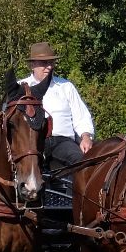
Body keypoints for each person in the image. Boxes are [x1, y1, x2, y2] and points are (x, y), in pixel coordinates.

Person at [20, 41, 93, 176]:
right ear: (32, 65)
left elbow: (81, 116)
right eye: (43, 63)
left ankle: (76, 191)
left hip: (63, 142)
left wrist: (86, 137)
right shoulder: (21, 88)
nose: (48, 67)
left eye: (51, 63)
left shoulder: (66, 87)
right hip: (32, 143)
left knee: (81, 162)